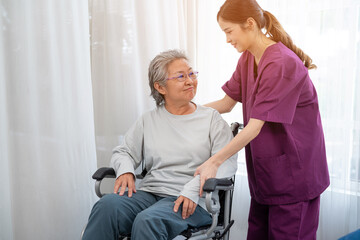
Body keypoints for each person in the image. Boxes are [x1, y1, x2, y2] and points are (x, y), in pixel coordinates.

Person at [194, 0, 330, 239]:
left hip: (294, 176)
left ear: (249, 24)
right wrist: (184, 112)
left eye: (229, 31)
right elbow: (226, 104)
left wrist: (214, 162)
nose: (227, 39)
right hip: (267, 176)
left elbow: (255, 126)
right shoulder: (247, 58)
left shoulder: (281, 63)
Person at [82, 50, 238, 240]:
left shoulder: (211, 119)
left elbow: (225, 163)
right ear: (160, 87)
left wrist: (193, 189)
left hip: (190, 200)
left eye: (191, 73)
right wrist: (125, 170)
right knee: (106, 206)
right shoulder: (148, 120)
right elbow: (124, 152)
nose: (190, 81)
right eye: (181, 76)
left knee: (148, 220)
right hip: (149, 194)